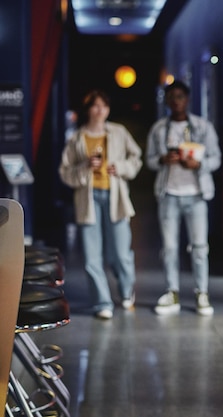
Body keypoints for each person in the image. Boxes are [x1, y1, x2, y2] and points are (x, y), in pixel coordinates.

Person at [59, 89, 142, 319]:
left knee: (120, 252)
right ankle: (102, 302)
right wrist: (85, 166)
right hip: (88, 200)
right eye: (95, 106)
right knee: (92, 255)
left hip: (115, 197)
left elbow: (136, 158)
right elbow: (65, 173)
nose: (100, 110)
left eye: (104, 106)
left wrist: (121, 168)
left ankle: (126, 292)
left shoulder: (118, 132)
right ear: (88, 109)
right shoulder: (76, 138)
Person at [145, 80, 222, 316]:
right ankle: (172, 292)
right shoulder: (159, 129)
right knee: (169, 247)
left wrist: (198, 164)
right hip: (168, 194)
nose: (176, 101)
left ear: (187, 100)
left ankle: (202, 293)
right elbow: (149, 160)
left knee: (199, 247)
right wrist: (162, 160)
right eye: (172, 97)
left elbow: (216, 158)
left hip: (196, 195)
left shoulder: (202, 127)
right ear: (167, 101)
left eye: (180, 96)